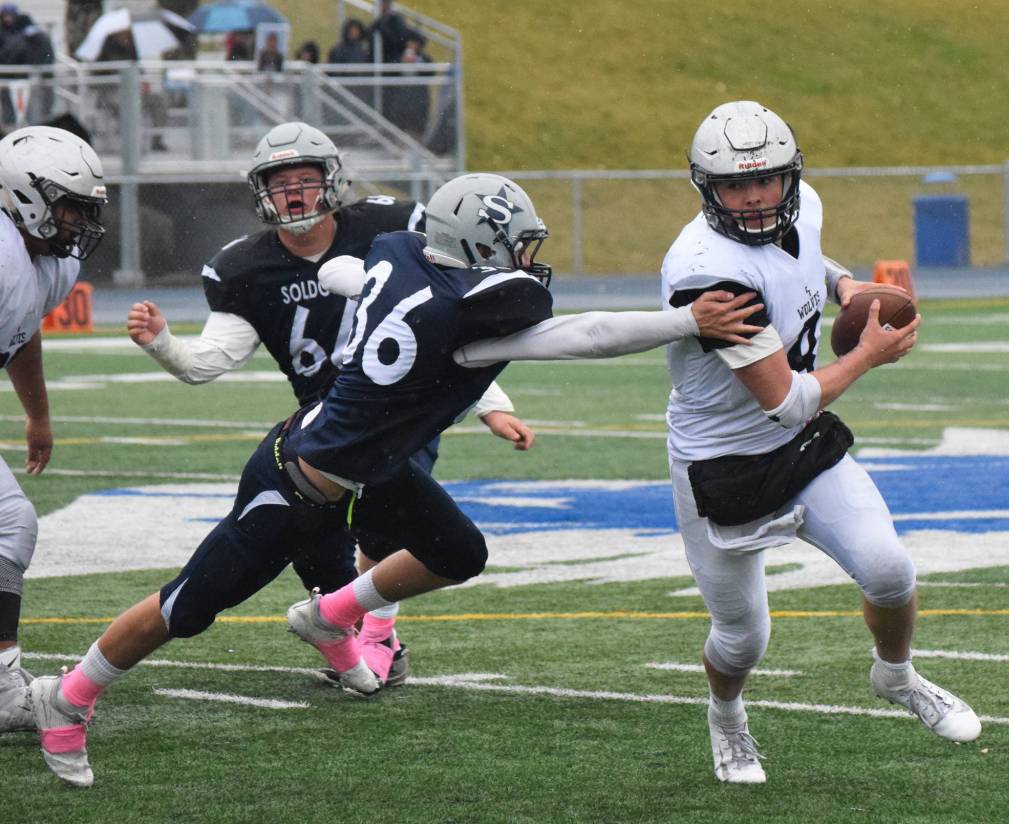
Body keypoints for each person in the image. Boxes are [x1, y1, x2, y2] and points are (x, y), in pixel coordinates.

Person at [26, 172, 763, 788]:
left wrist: (371, 281)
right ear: (477, 245)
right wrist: (683, 321)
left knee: (459, 551)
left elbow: (342, 271)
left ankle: (329, 613)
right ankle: (70, 696)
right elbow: (587, 336)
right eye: (514, 245)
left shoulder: (393, 256)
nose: (526, 258)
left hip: (361, 470)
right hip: (295, 481)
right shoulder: (462, 316)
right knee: (185, 607)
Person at [124, 122, 532, 690]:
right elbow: (207, 363)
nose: (293, 193)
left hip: (403, 406)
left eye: (305, 180)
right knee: (323, 552)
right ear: (262, 192)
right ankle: (346, 635)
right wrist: (163, 344)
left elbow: (446, 322)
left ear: (331, 182)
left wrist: (493, 405)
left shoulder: (388, 229)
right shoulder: (244, 268)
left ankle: (380, 637)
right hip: (320, 428)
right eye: (280, 182)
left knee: (390, 519)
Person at [659, 100, 981, 784]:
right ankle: (727, 718)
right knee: (744, 640)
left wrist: (842, 283)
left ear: (791, 175)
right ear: (705, 188)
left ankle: (896, 675)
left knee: (890, 569)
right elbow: (785, 399)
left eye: (766, 180)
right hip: (723, 459)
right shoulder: (704, 268)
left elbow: (803, 248)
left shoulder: (802, 206)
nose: (752, 199)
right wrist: (868, 353)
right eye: (734, 186)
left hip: (800, 444)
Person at [0, 126, 106, 734]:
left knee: (9, 522)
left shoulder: (43, 265)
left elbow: (23, 323)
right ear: (29, 197)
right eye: (71, 208)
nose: (79, 224)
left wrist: (37, 413)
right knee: (9, 521)